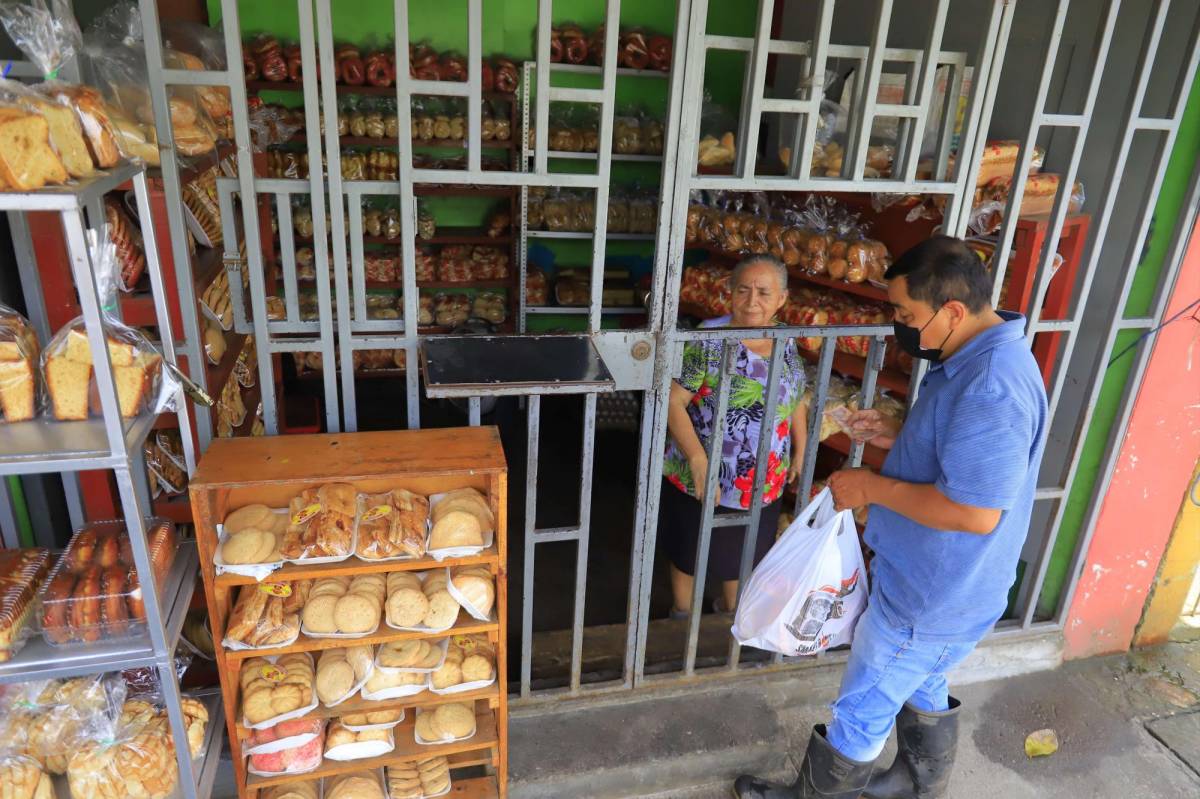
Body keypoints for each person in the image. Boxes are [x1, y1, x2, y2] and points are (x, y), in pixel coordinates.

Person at [734, 236, 1048, 799]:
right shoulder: (971, 356)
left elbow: (975, 513)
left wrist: (870, 486)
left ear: (952, 310)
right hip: (942, 582)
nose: (900, 326)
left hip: (935, 589)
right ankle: (917, 783)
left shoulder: (991, 385)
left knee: (864, 703)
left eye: (907, 314)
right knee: (921, 674)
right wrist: (892, 436)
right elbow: (957, 465)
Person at [660, 255, 808, 617]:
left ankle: (729, 622)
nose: (752, 301)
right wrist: (698, 459)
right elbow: (672, 402)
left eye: (763, 292)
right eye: (743, 290)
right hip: (703, 476)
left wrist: (801, 449)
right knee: (689, 552)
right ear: (730, 291)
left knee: (742, 557)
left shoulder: (785, 340)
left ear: (782, 299)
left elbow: (797, 399)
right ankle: (682, 618)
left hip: (762, 479)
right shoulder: (708, 343)